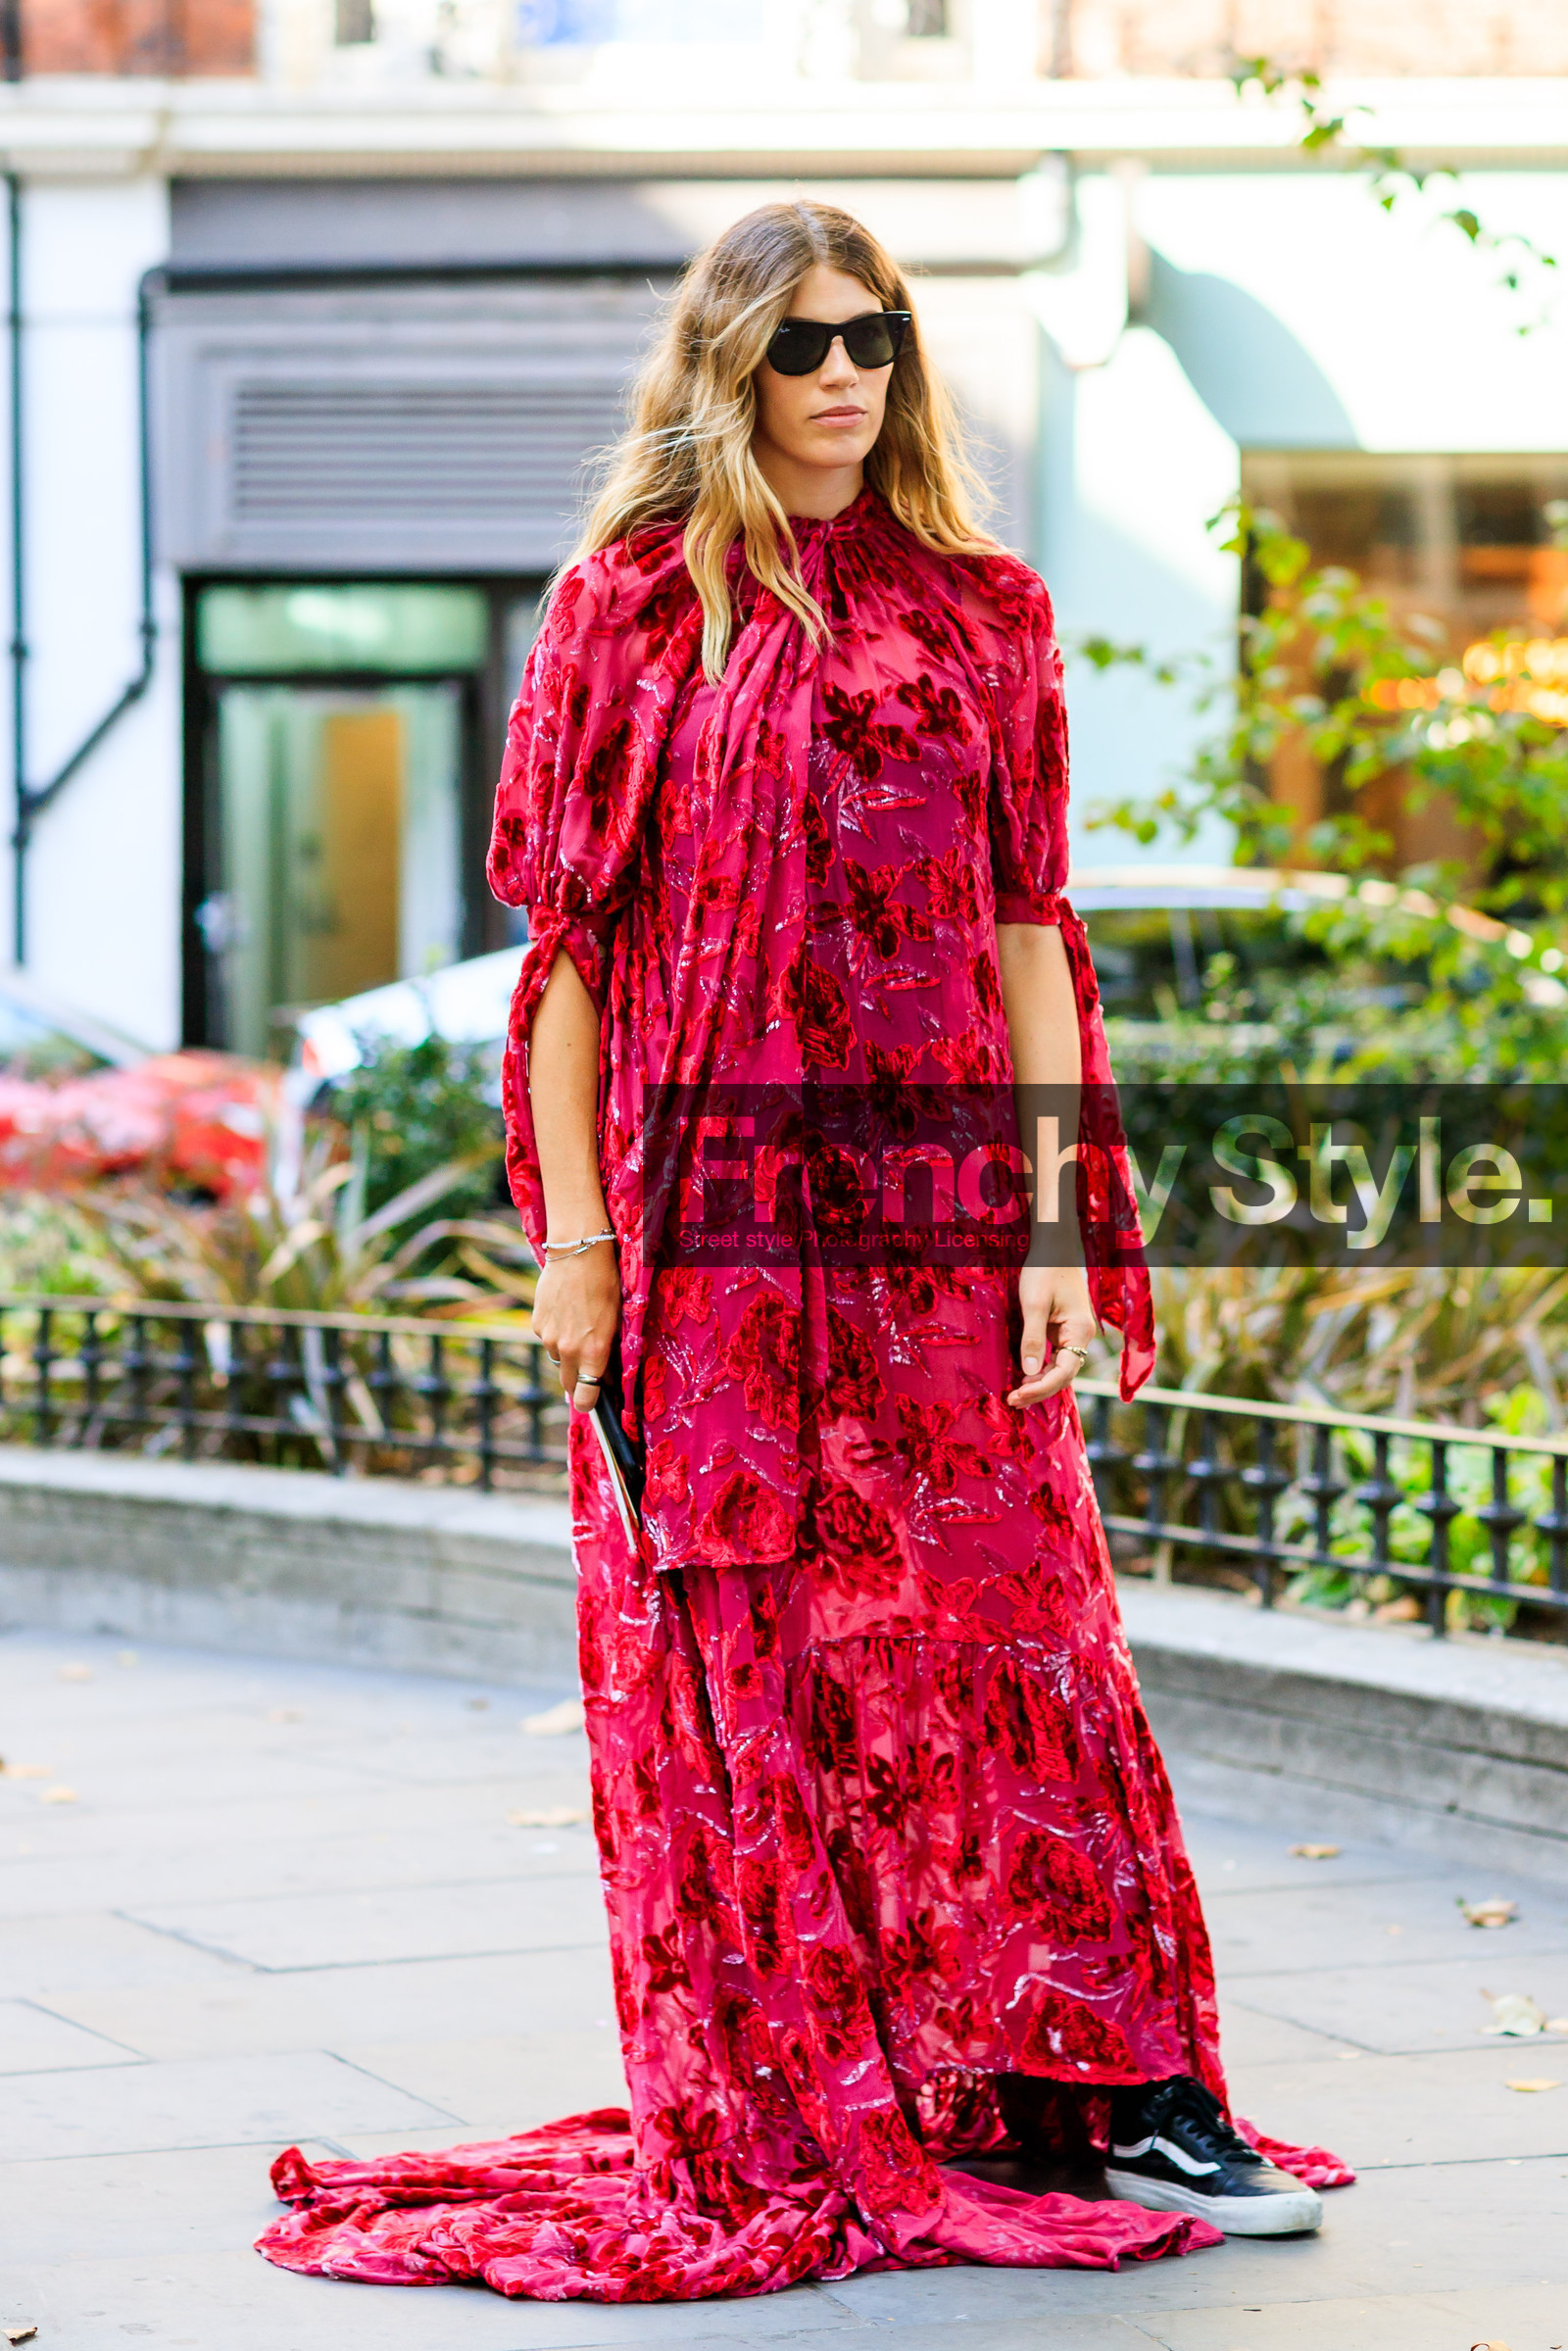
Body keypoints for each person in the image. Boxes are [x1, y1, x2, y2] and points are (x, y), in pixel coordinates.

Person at [256, 200, 1349, 2304]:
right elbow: (569, 964)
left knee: (1020, 1636)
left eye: (874, 339)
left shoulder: (986, 613)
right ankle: (799, 2092)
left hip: (939, 1226)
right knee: (752, 1659)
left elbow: (1028, 935)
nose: (843, 375)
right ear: (723, 367)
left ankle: (1112, 2088)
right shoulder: (624, 613)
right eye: (799, 343)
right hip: (709, 1250)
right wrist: (578, 1243)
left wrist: (1058, 1221)